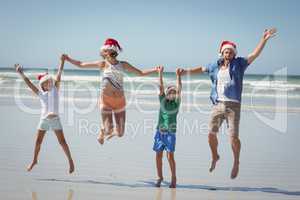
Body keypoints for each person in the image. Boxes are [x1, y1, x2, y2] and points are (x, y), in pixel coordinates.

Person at [179, 28, 277, 179]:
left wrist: (264, 39)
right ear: (222, 53)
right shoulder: (215, 66)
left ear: (234, 54)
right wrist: (186, 71)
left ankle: (236, 161)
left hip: (233, 106)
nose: (228, 54)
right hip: (217, 105)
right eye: (226, 52)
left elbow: (254, 55)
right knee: (211, 135)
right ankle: (215, 156)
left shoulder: (239, 64)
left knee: (233, 138)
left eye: (231, 52)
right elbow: (201, 68)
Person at [63, 38, 158, 145]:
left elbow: (141, 73)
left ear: (116, 52)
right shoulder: (102, 64)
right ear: (105, 52)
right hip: (106, 101)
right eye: (110, 52)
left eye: (114, 52)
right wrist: (68, 59)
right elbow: (81, 64)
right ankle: (103, 131)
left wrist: (155, 69)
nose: (112, 54)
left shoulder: (123, 64)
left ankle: (107, 130)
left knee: (120, 133)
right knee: (108, 130)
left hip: (120, 102)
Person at [15, 56, 75, 174]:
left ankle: (70, 160)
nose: (49, 83)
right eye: (46, 83)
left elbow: (59, 75)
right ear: (42, 85)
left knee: (62, 142)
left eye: (49, 81)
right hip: (44, 120)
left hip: (55, 119)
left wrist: (61, 62)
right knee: (38, 142)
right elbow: (29, 84)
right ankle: (34, 160)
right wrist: (21, 73)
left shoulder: (55, 89)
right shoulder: (40, 94)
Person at [153, 66, 183, 188]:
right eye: (170, 92)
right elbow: (160, 87)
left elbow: (180, 89)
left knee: (170, 156)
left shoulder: (176, 104)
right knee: (158, 155)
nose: (172, 93)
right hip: (159, 134)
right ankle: (159, 177)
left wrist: (178, 76)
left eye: (173, 92)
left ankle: (174, 177)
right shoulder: (162, 101)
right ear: (166, 94)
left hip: (170, 134)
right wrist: (160, 73)